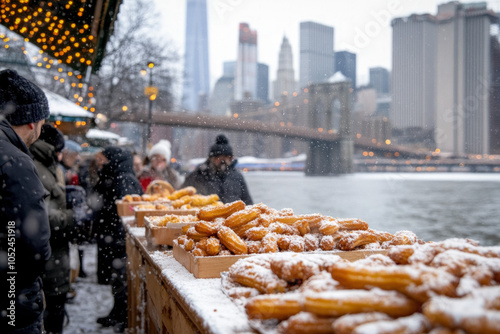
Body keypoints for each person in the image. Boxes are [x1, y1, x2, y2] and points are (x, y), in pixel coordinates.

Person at [0, 69, 51, 333]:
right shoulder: (15, 160)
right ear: (32, 121)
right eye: (43, 123)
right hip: (11, 302)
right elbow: (31, 247)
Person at [93, 146, 143, 332]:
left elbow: (128, 213)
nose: (100, 162)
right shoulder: (116, 176)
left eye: (104, 159)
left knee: (122, 281)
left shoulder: (123, 179)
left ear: (114, 160)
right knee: (116, 280)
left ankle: (123, 317)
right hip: (113, 238)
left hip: (119, 240)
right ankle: (117, 313)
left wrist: (117, 236)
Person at [30, 124, 74, 334]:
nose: (60, 156)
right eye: (59, 151)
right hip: (48, 258)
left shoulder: (44, 164)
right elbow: (41, 214)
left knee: (53, 308)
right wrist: (72, 217)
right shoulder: (35, 164)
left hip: (53, 254)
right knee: (51, 311)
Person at [182, 134, 253, 205]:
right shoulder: (199, 175)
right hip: (206, 214)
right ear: (211, 158)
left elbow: (247, 201)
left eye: (226, 157)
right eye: (219, 157)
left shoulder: (237, 176)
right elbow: (182, 196)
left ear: (231, 159)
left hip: (233, 215)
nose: (223, 161)